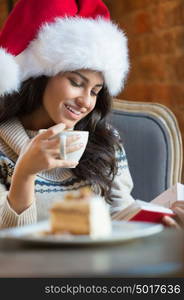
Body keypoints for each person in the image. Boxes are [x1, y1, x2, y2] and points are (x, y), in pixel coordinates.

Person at [0, 0, 183, 229]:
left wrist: (163, 223)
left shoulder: (104, 139)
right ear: (40, 76)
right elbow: (8, 243)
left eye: (95, 91)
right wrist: (25, 174)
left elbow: (119, 215)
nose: (86, 102)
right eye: (76, 82)